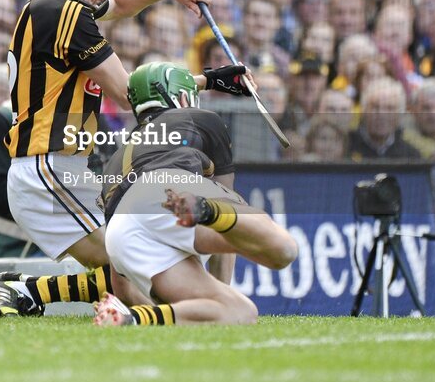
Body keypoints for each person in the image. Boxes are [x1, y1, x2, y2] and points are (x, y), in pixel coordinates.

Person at [0, 0, 248, 317]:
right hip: (47, 169)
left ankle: (29, 293)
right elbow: (131, 93)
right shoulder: (65, 15)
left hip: (62, 168)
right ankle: (32, 292)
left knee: (139, 263)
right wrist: (208, 81)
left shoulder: (53, 7)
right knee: (139, 264)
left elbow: (119, 5)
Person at [93, 62, 297, 326]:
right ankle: (205, 211)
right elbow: (228, 194)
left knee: (241, 313)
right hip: (170, 189)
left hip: (122, 231)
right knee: (284, 249)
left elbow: (122, 287)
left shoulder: (117, 156)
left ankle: (133, 319)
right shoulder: (201, 119)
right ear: (182, 97)